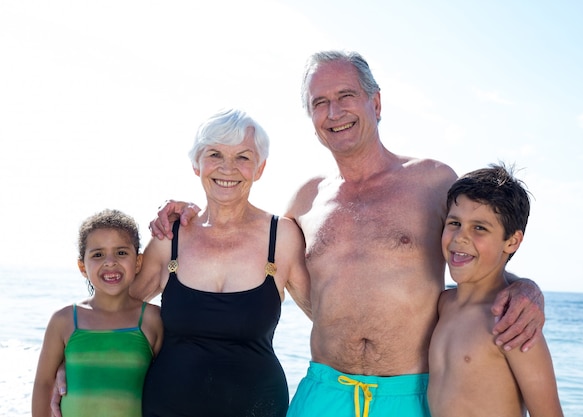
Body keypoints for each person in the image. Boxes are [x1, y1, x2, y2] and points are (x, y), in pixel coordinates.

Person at [146, 51, 546, 417]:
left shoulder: (433, 181)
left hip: (409, 394)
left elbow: (479, 252)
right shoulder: (306, 201)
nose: (333, 112)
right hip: (324, 391)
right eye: (320, 102)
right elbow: (245, 241)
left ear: (375, 102)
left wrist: (526, 287)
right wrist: (187, 214)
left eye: (345, 96)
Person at [139, 108, 311, 417]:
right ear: (197, 164)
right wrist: (70, 364)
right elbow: (112, 312)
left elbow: (328, 319)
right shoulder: (170, 236)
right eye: (215, 154)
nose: (227, 168)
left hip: (259, 408)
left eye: (243, 157)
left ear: (259, 168)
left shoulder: (281, 236)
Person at [427, 164, 563, 417]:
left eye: (479, 228)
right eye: (454, 222)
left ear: (512, 241)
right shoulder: (443, 304)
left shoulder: (512, 322)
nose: (460, 237)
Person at [32, 209, 163, 417]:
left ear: (138, 262)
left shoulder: (152, 319)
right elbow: (44, 384)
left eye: (121, 252)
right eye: (98, 254)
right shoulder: (64, 320)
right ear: (82, 266)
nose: (110, 261)